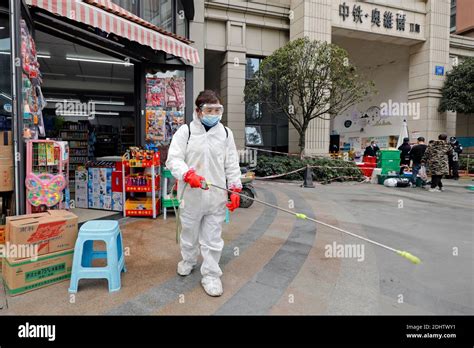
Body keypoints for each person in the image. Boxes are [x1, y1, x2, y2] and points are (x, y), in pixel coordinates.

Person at [165, 90, 242, 297]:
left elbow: (231, 163)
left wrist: (235, 188)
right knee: (189, 234)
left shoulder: (225, 133)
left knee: (212, 239)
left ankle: (210, 275)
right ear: (198, 112)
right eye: (209, 110)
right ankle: (188, 260)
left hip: (216, 197)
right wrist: (187, 174)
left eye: (218, 110)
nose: (214, 114)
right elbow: (173, 159)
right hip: (191, 196)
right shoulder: (186, 132)